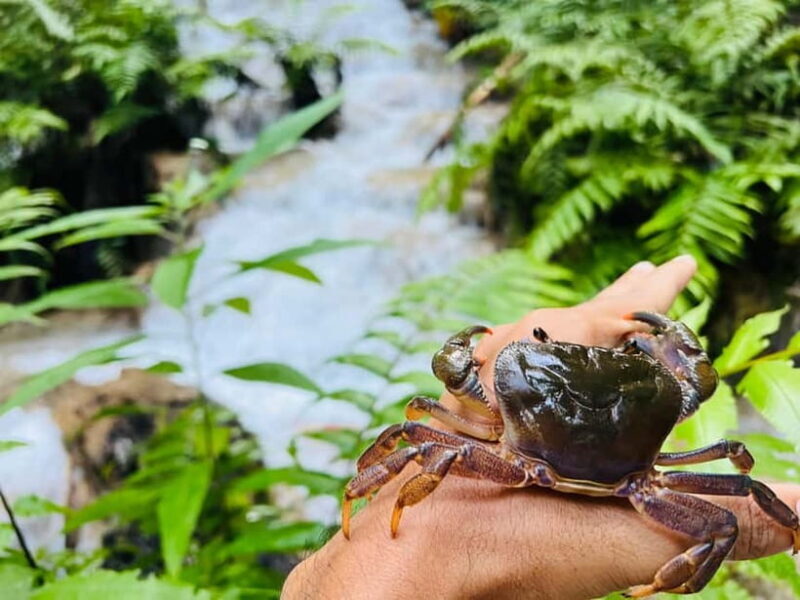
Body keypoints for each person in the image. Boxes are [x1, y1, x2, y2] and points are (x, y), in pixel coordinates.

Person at [283, 256, 800, 599]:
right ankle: (668, 585)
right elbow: (722, 430)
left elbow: (426, 407)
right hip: (643, 483)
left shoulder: (510, 387)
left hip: (518, 464)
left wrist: (363, 564)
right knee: (727, 521)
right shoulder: (666, 387)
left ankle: (363, 498)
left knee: (423, 445)